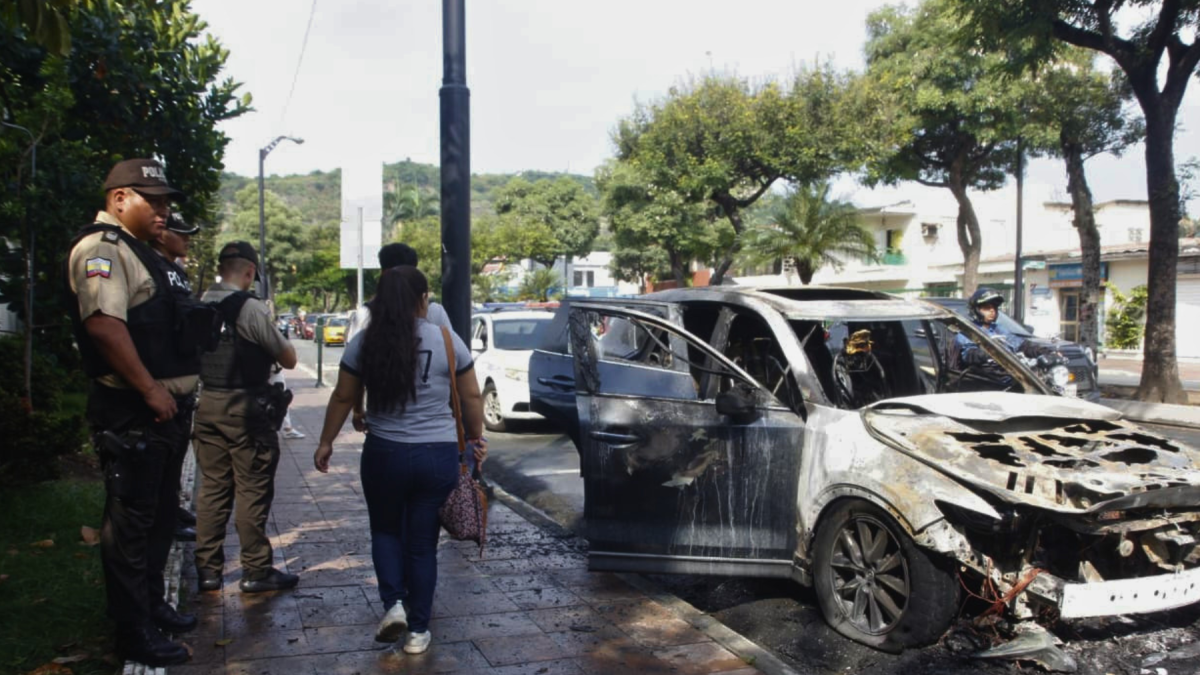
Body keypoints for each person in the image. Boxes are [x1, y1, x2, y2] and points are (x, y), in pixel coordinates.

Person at [65, 159, 200, 666]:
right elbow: (104, 325)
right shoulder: (103, 249)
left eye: (167, 201)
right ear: (121, 198)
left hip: (164, 412)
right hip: (135, 412)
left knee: (160, 516)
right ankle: (132, 630)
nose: (165, 210)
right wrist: (149, 390)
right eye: (155, 200)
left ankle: (151, 605)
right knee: (129, 528)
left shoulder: (145, 253)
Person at [313, 266, 487, 655]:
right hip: (437, 455)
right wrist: (476, 438)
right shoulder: (445, 339)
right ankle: (419, 632)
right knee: (423, 544)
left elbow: (343, 397)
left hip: (384, 453)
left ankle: (393, 604)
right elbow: (472, 397)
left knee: (386, 531)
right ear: (422, 299)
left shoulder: (363, 342)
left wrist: (326, 442)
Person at [193, 242, 300, 593]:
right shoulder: (250, 308)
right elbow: (288, 358)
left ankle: (207, 570)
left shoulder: (197, 303)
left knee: (212, 488)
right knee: (252, 489)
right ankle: (256, 569)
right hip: (245, 409)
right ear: (250, 272)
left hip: (207, 403)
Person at [345, 242, 451, 432]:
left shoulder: (365, 314)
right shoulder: (436, 313)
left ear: (383, 274)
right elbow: (456, 370)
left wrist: (357, 409)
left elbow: (354, 374)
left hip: (384, 431)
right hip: (433, 431)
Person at [147, 213, 204, 543]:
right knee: (155, 475)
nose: (186, 239)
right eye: (180, 232)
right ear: (161, 234)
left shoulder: (175, 271)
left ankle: (170, 513)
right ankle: (163, 520)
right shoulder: (149, 267)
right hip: (158, 391)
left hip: (180, 390)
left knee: (172, 468)